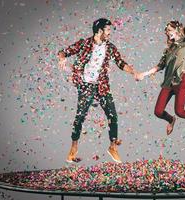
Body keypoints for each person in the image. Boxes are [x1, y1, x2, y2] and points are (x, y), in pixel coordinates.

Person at [58, 18, 137, 163]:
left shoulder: (110, 47)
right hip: (86, 85)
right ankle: (73, 147)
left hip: (102, 85)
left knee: (113, 116)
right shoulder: (84, 44)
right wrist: (62, 58)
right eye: (107, 30)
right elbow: (63, 52)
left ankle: (113, 147)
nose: (109, 33)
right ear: (99, 31)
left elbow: (120, 62)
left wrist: (133, 72)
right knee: (80, 116)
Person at [135, 20, 185, 136]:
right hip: (168, 82)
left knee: (180, 111)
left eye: (169, 30)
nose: (167, 33)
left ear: (177, 30)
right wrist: (144, 74)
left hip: (181, 80)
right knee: (158, 112)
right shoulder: (168, 49)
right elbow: (159, 66)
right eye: (166, 31)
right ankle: (171, 120)